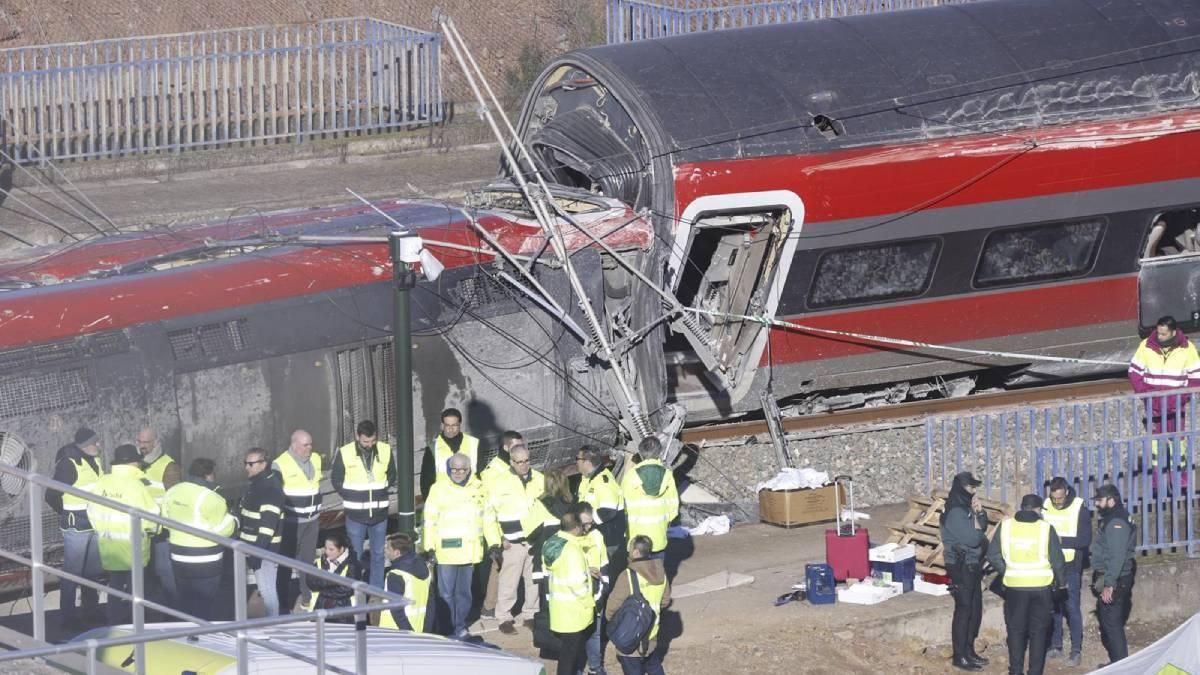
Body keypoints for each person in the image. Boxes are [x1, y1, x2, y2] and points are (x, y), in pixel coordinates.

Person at [421, 452, 500, 639]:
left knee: (464, 595)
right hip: (446, 551)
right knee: (446, 594)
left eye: (461, 469)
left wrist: (495, 542)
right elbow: (429, 520)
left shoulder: (479, 488)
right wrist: (429, 546)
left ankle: (460, 626)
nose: (457, 473)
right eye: (454, 469)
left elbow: (488, 518)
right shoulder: (438, 489)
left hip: (469, 551)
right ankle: (448, 630)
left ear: (468, 470)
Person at [986, 494, 1066, 675]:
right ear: (1037, 509)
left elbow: (992, 555)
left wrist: (1007, 571)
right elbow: (1058, 561)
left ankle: (1015, 671)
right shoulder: (1046, 528)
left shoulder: (1006, 527)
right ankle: (1035, 672)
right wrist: (1061, 584)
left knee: (1015, 631)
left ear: (1022, 507)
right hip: (1041, 589)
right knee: (1038, 632)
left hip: (1015, 589)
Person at [86, 444, 160, 624]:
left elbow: (91, 511)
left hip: (110, 548)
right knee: (137, 591)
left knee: (116, 588)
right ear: (134, 463)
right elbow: (151, 517)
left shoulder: (103, 482)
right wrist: (154, 531)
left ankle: (114, 624)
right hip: (133, 548)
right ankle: (138, 625)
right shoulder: (136, 486)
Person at [1128, 315, 1200, 490]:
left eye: (1163, 334)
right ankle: (1157, 484)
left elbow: (1196, 377)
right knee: (1155, 447)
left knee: (1178, 445)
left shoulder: (1187, 348)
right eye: (1158, 333)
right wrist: (1146, 395)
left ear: (1173, 332)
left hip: (1175, 406)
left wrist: (1182, 398)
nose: (1159, 336)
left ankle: (1180, 483)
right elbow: (1134, 372)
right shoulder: (1146, 346)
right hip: (1153, 406)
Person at [162, 458, 237, 621]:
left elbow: (165, 521)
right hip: (206, 561)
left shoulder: (173, 491)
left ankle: (184, 635)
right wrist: (235, 520)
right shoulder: (212, 497)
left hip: (178, 556)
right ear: (209, 475)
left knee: (185, 600)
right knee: (204, 604)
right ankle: (199, 638)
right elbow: (223, 530)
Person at [47, 427, 104, 629]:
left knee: (92, 573)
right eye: (96, 443)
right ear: (86, 445)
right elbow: (51, 494)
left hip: (94, 523)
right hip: (76, 526)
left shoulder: (95, 460)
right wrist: (66, 512)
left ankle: (91, 611)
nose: (99, 446)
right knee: (72, 573)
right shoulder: (68, 465)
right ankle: (68, 617)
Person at [489, 443, 545, 634]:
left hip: (534, 540)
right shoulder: (500, 482)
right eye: (519, 462)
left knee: (533, 580)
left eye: (526, 461)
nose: (523, 465)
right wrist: (497, 540)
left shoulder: (539, 478)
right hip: (512, 542)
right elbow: (490, 514)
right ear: (511, 461)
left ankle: (530, 614)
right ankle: (504, 616)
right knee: (508, 581)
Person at [332, 420, 395, 591]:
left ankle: (376, 591)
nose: (369, 445)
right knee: (355, 555)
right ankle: (355, 591)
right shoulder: (345, 453)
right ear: (357, 437)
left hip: (379, 514)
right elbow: (336, 479)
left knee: (378, 554)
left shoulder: (385, 450)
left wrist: (379, 492)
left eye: (373, 440)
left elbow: (391, 476)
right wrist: (350, 495)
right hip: (355, 515)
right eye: (365, 441)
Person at [938, 471, 989, 671]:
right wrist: (978, 528)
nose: (973, 491)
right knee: (964, 610)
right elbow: (975, 539)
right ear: (961, 488)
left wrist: (980, 512)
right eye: (970, 487)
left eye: (975, 487)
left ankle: (969, 650)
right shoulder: (955, 511)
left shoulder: (966, 508)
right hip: (960, 566)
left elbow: (982, 527)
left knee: (974, 610)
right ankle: (959, 656)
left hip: (972, 564)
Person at [605, 535, 672, 675]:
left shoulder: (628, 575)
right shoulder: (661, 573)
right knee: (653, 666)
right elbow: (665, 601)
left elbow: (611, 608)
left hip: (631, 636)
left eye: (629, 549)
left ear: (635, 552)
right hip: (652, 633)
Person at [1043, 476, 1092, 666]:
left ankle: (1076, 650)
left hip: (1071, 566)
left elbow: (1084, 540)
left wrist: (1060, 541)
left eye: (1060, 499)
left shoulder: (1079, 508)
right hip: (1051, 565)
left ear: (1066, 492)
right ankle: (1056, 646)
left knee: (1072, 607)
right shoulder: (1046, 505)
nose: (1057, 503)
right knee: (1054, 607)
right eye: (1054, 499)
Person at [478, 430, 525, 620]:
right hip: (501, 530)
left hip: (516, 525)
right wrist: (498, 537)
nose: (521, 450)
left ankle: (495, 605)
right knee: (498, 567)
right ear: (506, 448)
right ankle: (489, 606)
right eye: (516, 446)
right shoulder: (493, 473)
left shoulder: (512, 466)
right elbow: (491, 508)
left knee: (507, 569)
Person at [274, 429, 323, 611]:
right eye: (305, 445)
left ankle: (307, 597)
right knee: (287, 563)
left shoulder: (316, 458)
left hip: (313, 520)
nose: (309, 448)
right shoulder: (279, 464)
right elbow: (276, 495)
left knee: (308, 562)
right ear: (294, 445)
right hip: (292, 523)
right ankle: (282, 602)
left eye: (310, 444)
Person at [543, 510, 595, 675]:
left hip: (559, 609)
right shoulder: (572, 550)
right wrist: (590, 603)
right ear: (577, 527)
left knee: (565, 653)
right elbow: (577, 583)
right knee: (569, 657)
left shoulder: (549, 543)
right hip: (575, 611)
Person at [1091, 484, 1136, 665]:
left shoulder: (1117, 522)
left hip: (1116, 580)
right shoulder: (1114, 518)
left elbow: (1117, 556)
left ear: (1111, 500)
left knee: (1112, 624)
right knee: (1110, 622)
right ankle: (1119, 663)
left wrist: (1109, 584)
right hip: (1116, 577)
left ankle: (1120, 666)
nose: (1097, 505)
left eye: (1100, 501)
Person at [238, 447, 285, 617]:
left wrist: (256, 553)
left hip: (263, 550)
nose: (247, 467)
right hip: (253, 547)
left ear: (263, 464)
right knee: (264, 588)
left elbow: (267, 527)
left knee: (267, 590)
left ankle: (272, 622)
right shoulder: (258, 484)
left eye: (251, 464)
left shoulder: (270, 489)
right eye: (245, 463)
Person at [136, 426, 180, 609]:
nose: (141, 446)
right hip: (141, 528)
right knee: (145, 573)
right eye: (139, 442)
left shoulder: (169, 466)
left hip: (161, 530)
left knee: (165, 572)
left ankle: (174, 610)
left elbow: (174, 497)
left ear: (155, 443)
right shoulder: (137, 463)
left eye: (145, 443)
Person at [621, 437, 679, 559]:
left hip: (636, 541)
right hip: (659, 538)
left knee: (638, 574)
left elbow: (623, 505)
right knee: (657, 574)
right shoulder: (667, 475)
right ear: (659, 453)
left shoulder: (631, 475)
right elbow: (674, 508)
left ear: (641, 453)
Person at [576, 502, 612, 675]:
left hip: (596, 594)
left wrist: (604, 587)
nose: (587, 527)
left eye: (590, 522)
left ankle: (595, 668)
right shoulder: (569, 539)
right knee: (576, 636)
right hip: (576, 596)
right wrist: (585, 570)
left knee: (595, 634)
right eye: (584, 523)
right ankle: (575, 668)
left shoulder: (597, 535)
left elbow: (604, 562)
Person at [576, 446, 625, 560]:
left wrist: (587, 524)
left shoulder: (603, 481)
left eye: (577, 458)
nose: (576, 462)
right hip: (595, 538)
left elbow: (608, 511)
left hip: (609, 541)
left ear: (587, 462)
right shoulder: (587, 480)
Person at [304, 532, 364, 624]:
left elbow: (346, 589)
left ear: (341, 549)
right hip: (319, 610)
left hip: (344, 615)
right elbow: (311, 583)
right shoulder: (319, 562)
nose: (327, 552)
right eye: (326, 548)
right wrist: (333, 582)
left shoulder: (353, 565)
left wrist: (322, 588)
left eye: (331, 549)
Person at [380, 533, 435, 633]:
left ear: (397, 552)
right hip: (419, 629)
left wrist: (408, 632)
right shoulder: (425, 569)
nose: (385, 550)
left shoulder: (395, 575)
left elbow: (396, 610)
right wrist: (426, 631)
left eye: (388, 548)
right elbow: (430, 602)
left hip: (394, 632)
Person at [421, 408, 480, 495]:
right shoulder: (433, 448)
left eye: (454, 425)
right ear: (442, 425)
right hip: (444, 502)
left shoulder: (474, 444)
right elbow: (426, 482)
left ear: (460, 424)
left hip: (470, 499)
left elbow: (481, 474)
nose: (451, 429)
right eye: (447, 425)